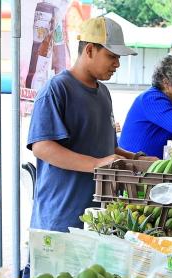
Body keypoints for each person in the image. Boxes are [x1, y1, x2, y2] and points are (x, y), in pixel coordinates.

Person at [28, 16, 142, 234]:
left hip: (97, 220)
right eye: (112, 56)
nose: (117, 64)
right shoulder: (57, 89)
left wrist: (135, 158)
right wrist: (98, 164)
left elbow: (107, 149)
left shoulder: (104, 93)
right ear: (89, 50)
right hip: (60, 219)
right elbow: (41, 147)